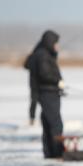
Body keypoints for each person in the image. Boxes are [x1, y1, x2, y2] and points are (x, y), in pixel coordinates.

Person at [24, 30, 66, 158]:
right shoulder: (43, 55)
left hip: (46, 93)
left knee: (48, 123)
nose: (57, 46)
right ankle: (57, 152)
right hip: (48, 94)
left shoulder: (41, 53)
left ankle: (50, 152)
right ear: (50, 43)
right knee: (56, 124)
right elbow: (45, 74)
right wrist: (57, 81)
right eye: (56, 43)